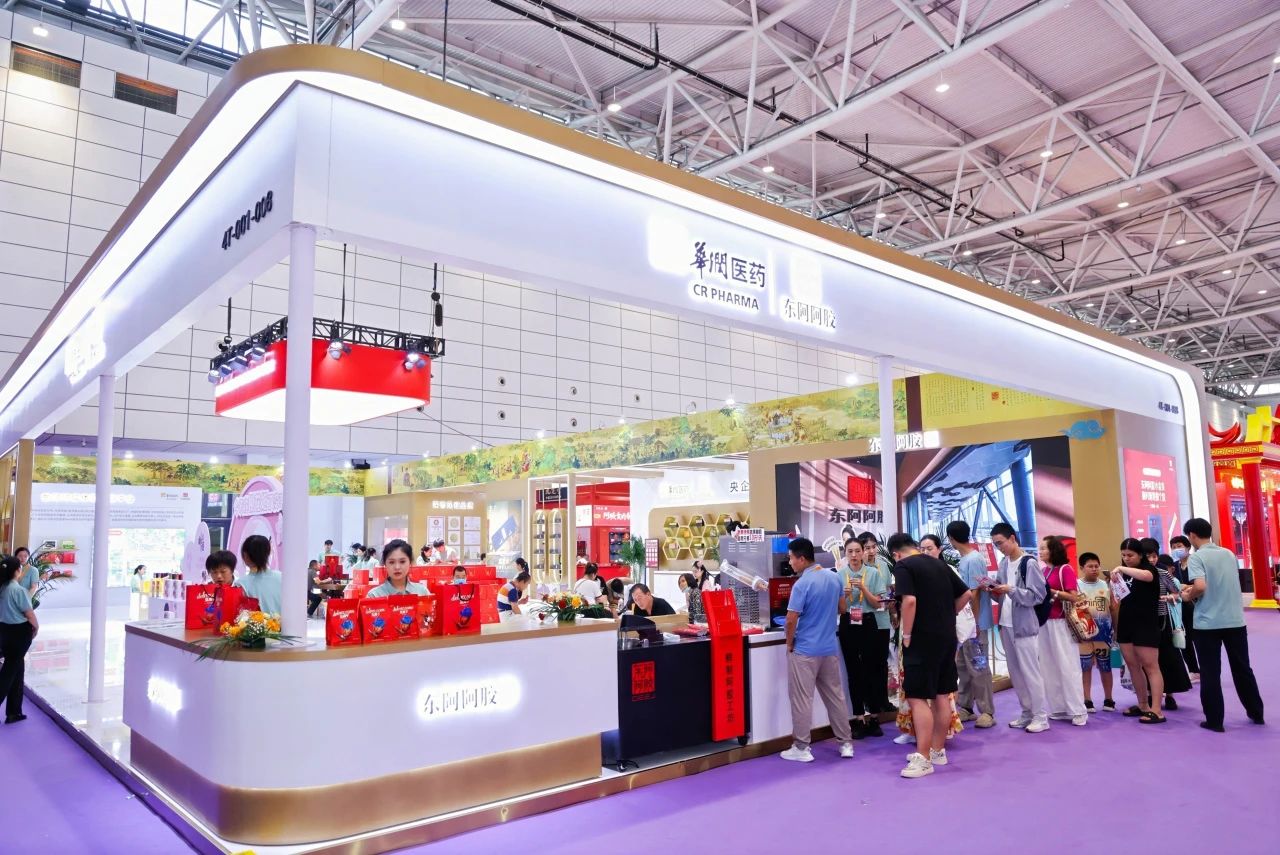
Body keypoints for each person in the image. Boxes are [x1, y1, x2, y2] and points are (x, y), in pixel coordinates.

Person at [887, 533, 971, 778]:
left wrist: (907, 634)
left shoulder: (904, 566)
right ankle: (937, 750)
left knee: (916, 697)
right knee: (942, 694)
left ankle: (923, 758)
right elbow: (966, 594)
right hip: (946, 636)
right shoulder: (940, 564)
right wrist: (947, 615)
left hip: (921, 639)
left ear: (896, 554)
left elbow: (909, 601)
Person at [1180, 518, 1264, 732]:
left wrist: (1188, 595)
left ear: (1192, 536)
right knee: (1243, 668)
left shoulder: (1197, 557)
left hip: (1207, 624)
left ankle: (1215, 721)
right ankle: (1256, 712)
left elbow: (1200, 586)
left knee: (1210, 673)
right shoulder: (1228, 554)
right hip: (1235, 621)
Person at [781, 537, 855, 763]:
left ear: (802, 559)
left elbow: (790, 619)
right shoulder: (834, 577)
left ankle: (801, 747)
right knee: (836, 697)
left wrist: (789, 643)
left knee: (802, 699)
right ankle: (846, 743)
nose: (790, 563)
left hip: (805, 650)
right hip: (829, 648)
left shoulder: (801, 584)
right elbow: (842, 608)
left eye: (791, 558)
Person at [990, 523, 1049, 733]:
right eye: (996, 545)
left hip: (1024, 626)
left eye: (1000, 543)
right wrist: (992, 588)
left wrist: (1011, 590)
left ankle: (1041, 716)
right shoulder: (1004, 562)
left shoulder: (1029, 563)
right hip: (1006, 624)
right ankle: (1027, 713)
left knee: (1031, 673)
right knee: (1016, 674)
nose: (999, 548)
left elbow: (1038, 595)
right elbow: (1001, 592)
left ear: (1013, 538)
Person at [946, 521, 995, 728]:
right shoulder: (966, 559)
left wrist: (974, 623)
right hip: (964, 624)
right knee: (963, 666)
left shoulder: (974, 559)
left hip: (975, 624)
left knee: (979, 667)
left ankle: (987, 711)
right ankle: (965, 706)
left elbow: (975, 593)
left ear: (951, 538)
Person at [1113, 538, 1166, 724]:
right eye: (1123, 555)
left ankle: (1157, 710)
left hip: (1146, 624)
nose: (1126, 558)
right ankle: (1143, 705)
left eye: (1130, 555)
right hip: (1126, 623)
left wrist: (1121, 568)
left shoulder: (1149, 569)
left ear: (1140, 555)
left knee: (1151, 666)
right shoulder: (1123, 573)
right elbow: (1118, 597)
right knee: (1132, 665)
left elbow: (1146, 576)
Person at [1038, 535, 1088, 726]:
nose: (1041, 551)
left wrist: (1052, 592)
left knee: (1068, 666)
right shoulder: (1043, 571)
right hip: (1044, 622)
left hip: (1062, 622)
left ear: (1053, 550)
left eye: (1044, 548)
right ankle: (1059, 707)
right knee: (1049, 667)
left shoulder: (1065, 569)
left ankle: (1078, 710)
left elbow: (1074, 597)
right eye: (1040, 548)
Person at [837, 538, 885, 739]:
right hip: (848, 622)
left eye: (858, 551)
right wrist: (843, 596)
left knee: (871, 669)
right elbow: (839, 609)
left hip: (868, 621)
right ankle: (858, 718)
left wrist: (864, 589)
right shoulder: (839, 575)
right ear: (845, 553)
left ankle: (874, 717)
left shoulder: (872, 573)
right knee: (853, 671)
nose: (854, 555)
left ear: (863, 553)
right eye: (850, 551)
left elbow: (878, 604)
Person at [1141, 536, 1191, 710]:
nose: (1152, 559)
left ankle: (1170, 694)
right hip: (1143, 623)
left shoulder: (1163, 573)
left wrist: (1171, 597)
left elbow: (1177, 593)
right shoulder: (1135, 574)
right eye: (1148, 556)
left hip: (1163, 622)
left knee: (1168, 659)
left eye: (1154, 556)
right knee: (1146, 661)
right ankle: (1149, 695)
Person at [0, 556, 38, 724]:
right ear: (17, 571)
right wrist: (36, 627)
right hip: (19, 633)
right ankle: (13, 711)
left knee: (17, 669)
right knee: (9, 671)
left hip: (4, 631)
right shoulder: (18, 590)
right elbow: (29, 614)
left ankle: (14, 711)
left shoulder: (2, 588)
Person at [1076, 552, 1115, 712]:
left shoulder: (1106, 585)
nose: (1094, 569)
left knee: (1105, 667)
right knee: (1085, 668)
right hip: (1083, 636)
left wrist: (1116, 630)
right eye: (1090, 566)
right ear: (1082, 568)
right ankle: (1087, 700)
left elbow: (1113, 609)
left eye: (1096, 566)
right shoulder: (1076, 586)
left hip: (1104, 635)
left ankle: (1109, 699)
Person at [1169, 535, 1199, 680]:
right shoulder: (1174, 567)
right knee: (1184, 638)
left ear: (1188, 547)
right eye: (1173, 547)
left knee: (1198, 639)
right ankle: (1194, 670)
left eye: (1179, 546)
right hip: (1181, 607)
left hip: (1197, 605)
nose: (1176, 549)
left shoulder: (1196, 562)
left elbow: (1200, 584)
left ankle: (1206, 668)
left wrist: (1185, 586)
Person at [234, 534, 282, 615]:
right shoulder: (282, 577)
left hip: (257, 623)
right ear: (269, 552)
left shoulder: (241, 584)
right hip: (287, 623)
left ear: (245, 555)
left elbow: (241, 615)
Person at [366, 540, 431, 598]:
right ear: (385, 564)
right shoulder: (374, 595)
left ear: (410, 562)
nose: (397, 567)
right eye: (391, 562)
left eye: (402, 562)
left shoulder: (422, 592)